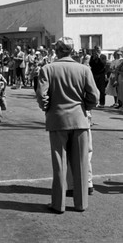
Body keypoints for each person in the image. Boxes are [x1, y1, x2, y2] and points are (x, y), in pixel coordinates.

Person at [36, 37, 99, 214]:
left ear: (57, 51)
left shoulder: (47, 69)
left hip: (57, 120)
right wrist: (85, 106)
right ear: (72, 51)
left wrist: (48, 108)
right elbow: (94, 95)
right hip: (80, 120)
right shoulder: (84, 69)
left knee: (59, 164)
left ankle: (59, 204)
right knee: (80, 163)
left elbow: (42, 95)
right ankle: (81, 204)